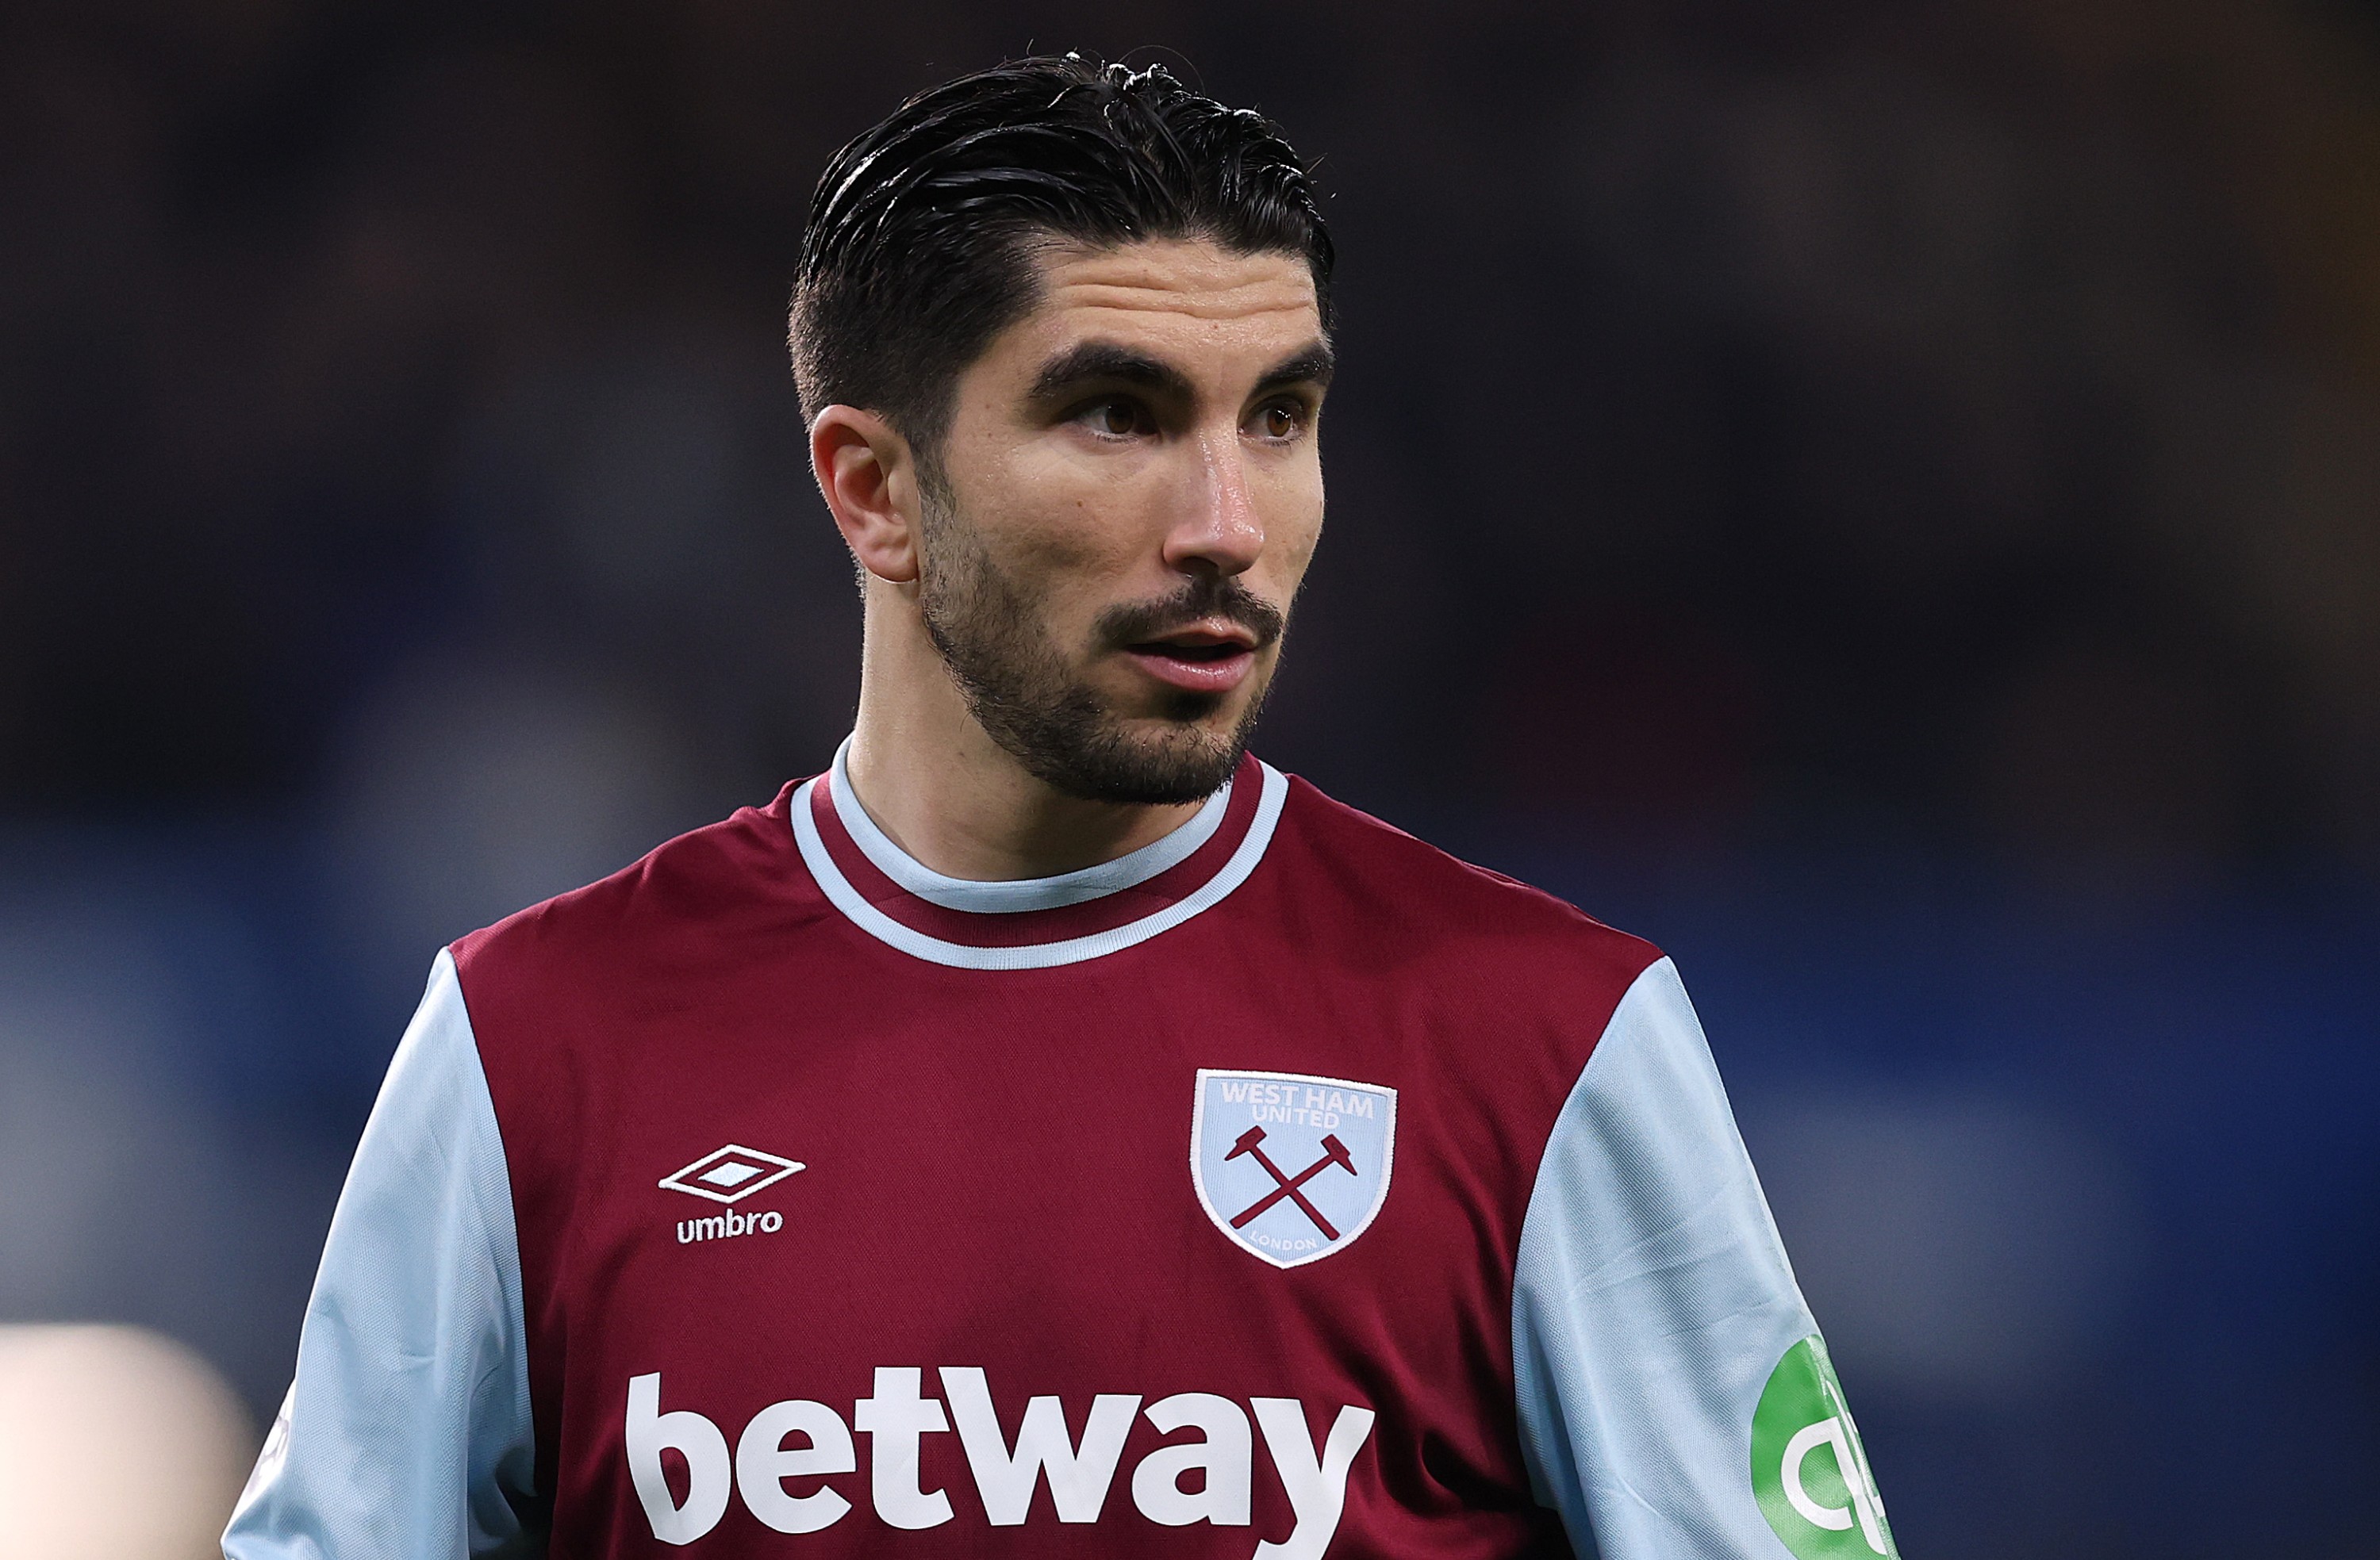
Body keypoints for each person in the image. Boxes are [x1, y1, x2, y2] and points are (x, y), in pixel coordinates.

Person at [224, 55, 1894, 1560]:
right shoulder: (532, 1047)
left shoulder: (1545, 1043)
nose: (1230, 524)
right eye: (1121, 415)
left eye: (1282, 417)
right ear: (876, 490)